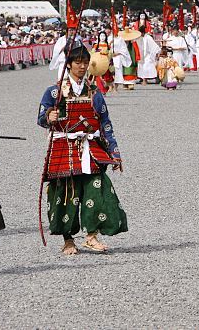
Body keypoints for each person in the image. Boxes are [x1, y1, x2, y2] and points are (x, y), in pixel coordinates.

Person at [38, 45, 127, 255]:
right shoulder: (54, 91)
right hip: (63, 148)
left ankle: (91, 236)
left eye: (85, 63)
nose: (82, 66)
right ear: (68, 64)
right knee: (65, 193)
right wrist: (48, 117)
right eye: (77, 62)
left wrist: (114, 152)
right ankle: (68, 240)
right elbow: (41, 118)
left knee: (97, 189)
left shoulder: (95, 93)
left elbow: (105, 124)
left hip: (90, 148)